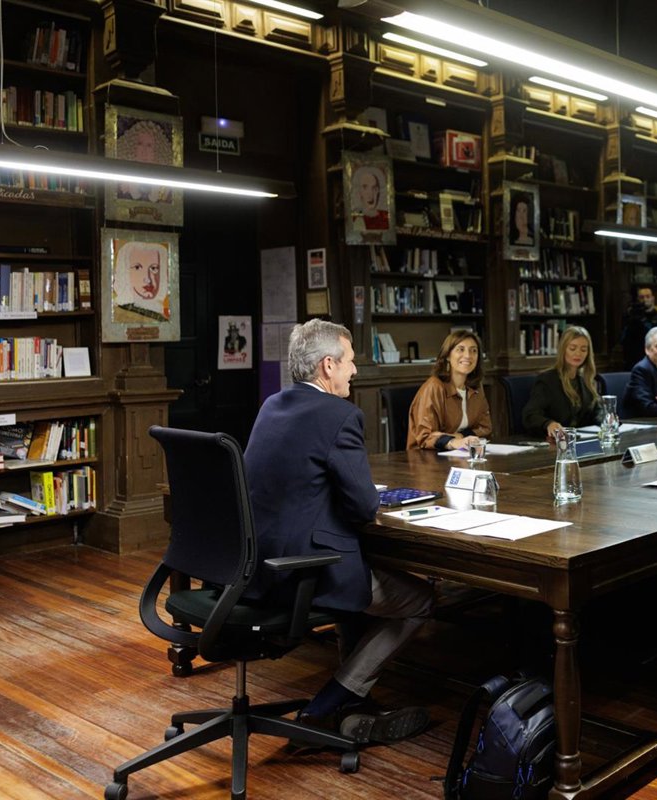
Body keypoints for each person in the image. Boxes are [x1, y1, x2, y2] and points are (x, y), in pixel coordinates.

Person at [243, 320, 432, 743]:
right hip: (305, 571)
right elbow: (364, 506)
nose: (355, 370)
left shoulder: (271, 406)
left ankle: (350, 706)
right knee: (420, 600)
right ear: (328, 365)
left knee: (360, 572)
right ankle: (330, 702)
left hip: (256, 567)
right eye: (349, 361)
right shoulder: (340, 415)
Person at [407, 330, 492, 450]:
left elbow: (485, 428)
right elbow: (425, 436)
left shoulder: (476, 387)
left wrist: (461, 437)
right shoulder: (434, 387)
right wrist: (454, 441)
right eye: (460, 349)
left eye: (474, 350)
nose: (468, 355)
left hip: (461, 453)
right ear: (447, 356)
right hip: (427, 455)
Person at [522, 325, 600, 438]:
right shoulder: (547, 380)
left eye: (583, 349)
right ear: (563, 350)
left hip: (579, 440)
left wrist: (606, 420)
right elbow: (530, 415)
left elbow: (596, 412)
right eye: (572, 348)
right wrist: (548, 424)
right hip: (553, 441)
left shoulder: (586, 380)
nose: (578, 353)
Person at [113, 241, 169, 324]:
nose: (148, 279)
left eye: (154, 268)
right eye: (137, 267)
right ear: (124, 270)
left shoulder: (161, 317)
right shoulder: (116, 315)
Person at [619, 286, 657, 369]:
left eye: (648, 296)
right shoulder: (630, 316)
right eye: (641, 297)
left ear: (653, 298)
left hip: (654, 360)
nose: (645, 300)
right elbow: (622, 339)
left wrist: (643, 321)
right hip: (633, 360)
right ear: (637, 299)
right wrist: (632, 320)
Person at [351, 165, 390, 231]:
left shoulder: (385, 216)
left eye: (374, 188)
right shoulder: (354, 217)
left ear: (378, 191)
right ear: (359, 192)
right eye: (365, 187)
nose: (370, 193)